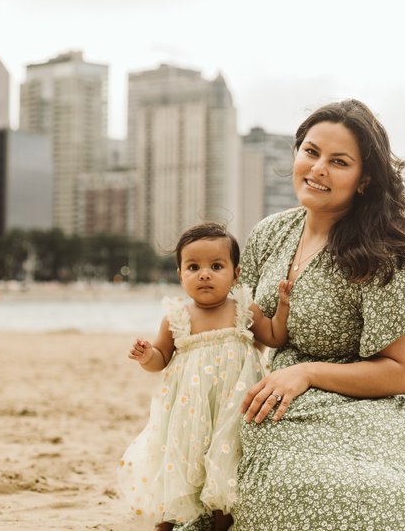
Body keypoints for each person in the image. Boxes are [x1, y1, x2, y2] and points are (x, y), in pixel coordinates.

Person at [229, 99, 405, 529]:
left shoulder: (382, 253)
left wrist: (307, 373)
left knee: (287, 479)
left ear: (363, 180)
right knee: (247, 452)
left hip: (377, 408)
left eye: (339, 162)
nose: (318, 169)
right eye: (311, 152)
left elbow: (399, 373)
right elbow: (249, 325)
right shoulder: (270, 234)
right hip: (287, 397)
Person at [118, 222, 291, 531]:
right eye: (193, 266)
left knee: (227, 459)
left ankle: (221, 523)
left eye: (216, 266)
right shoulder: (177, 316)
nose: (204, 274)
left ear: (236, 274)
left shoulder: (243, 309)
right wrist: (147, 356)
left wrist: (283, 307)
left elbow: (275, 336)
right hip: (189, 408)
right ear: (180, 274)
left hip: (232, 404)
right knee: (181, 459)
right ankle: (166, 523)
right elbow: (160, 358)